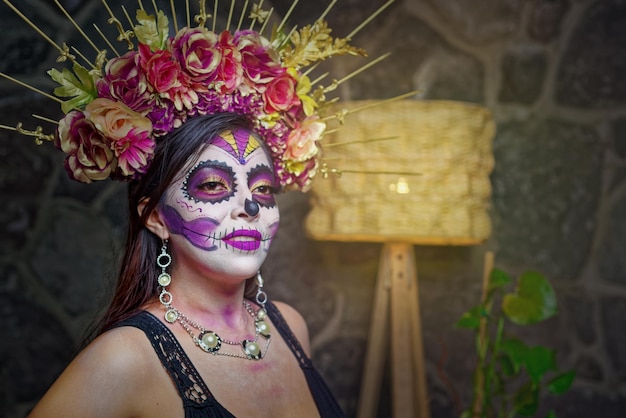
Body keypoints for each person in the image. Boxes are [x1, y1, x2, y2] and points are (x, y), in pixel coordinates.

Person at [27, 112, 344, 417]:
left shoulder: (289, 325)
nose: (249, 207)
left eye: (262, 189)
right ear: (155, 217)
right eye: (212, 185)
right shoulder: (125, 357)